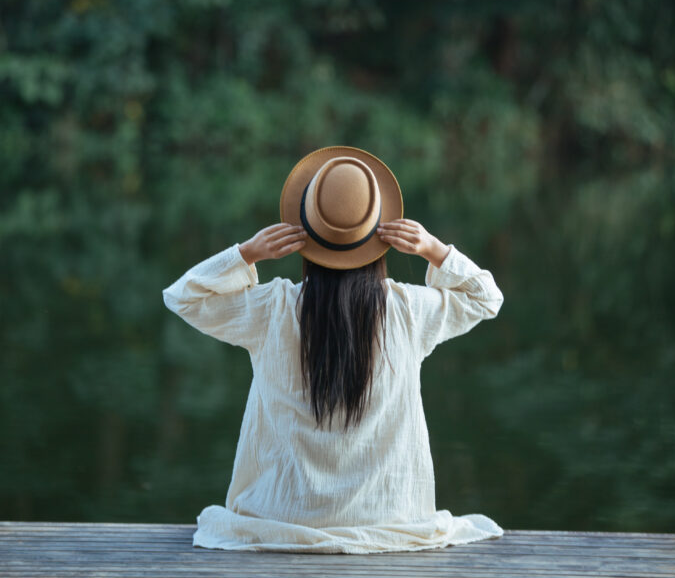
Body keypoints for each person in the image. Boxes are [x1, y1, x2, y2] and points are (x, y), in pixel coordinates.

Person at [162, 146, 505, 554]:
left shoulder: (272, 309)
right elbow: (486, 298)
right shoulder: (408, 311)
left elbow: (183, 297)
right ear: (379, 239)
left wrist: (248, 252)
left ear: (304, 237)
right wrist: (434, 249)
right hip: (390, 523)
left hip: (279, 520)